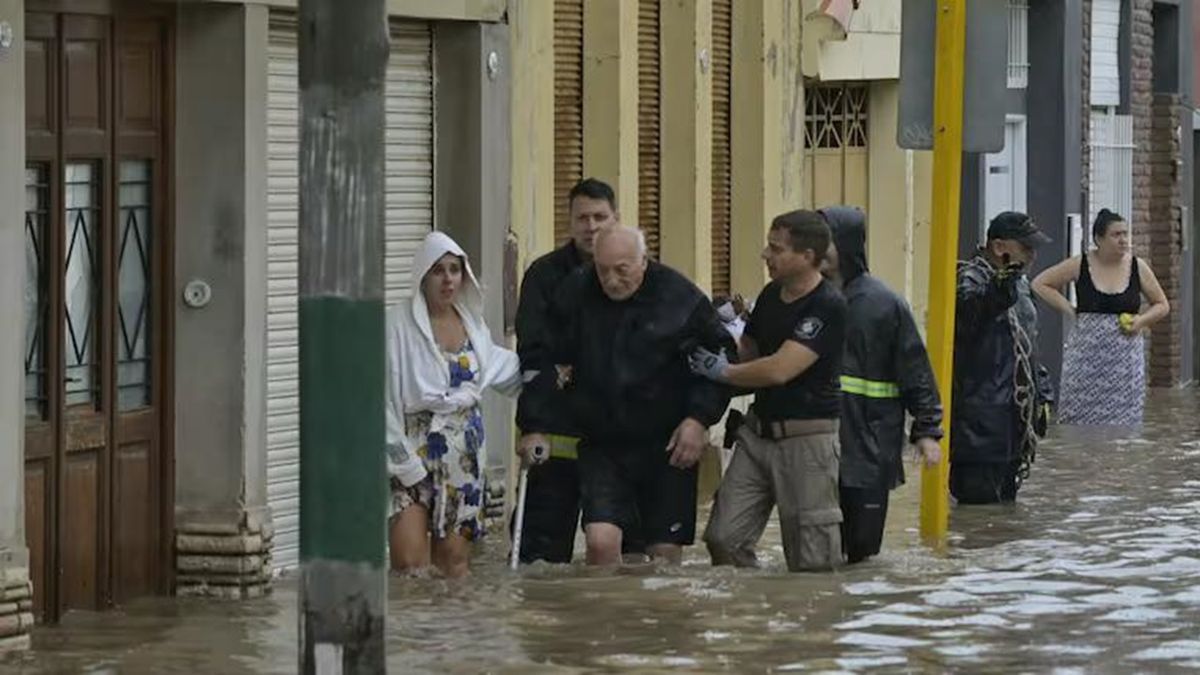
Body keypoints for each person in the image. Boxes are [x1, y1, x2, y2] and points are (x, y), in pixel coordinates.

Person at [520, 225, 735, 565]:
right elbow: (542, 357)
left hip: (668, 444)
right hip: (603, 442)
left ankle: (647, 618)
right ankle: (605, 617)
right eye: (602, 269)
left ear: (644, 262)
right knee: (601, 542)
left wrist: (698, 420)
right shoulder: (576, 290)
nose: (611, 280)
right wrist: (534, 423)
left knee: (661, 557)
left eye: (622, 270)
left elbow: (721, 362)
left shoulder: (680, 297)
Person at [689, 209, 846, 572]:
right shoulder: (772, 294)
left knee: (812, 562)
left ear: (806, 257)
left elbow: (779, 369)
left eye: (776, 249)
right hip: (758, 437)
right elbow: (753, 350)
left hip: (808, 444)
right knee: (723, 538)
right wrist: (721, 331)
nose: (765, 255)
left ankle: (804, 623)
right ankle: (757, 615)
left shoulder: (828, 305)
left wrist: (723, 372)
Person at [386, 231, 522, 577]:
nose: (448, 279)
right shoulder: (396, 326)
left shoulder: (473, 326)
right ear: (422, 275)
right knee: (410, 566)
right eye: (438, 271)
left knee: (454, 566)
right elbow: (377, 398)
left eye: (455, 270)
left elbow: (504, 370)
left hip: (463, 456)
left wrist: (553, 377)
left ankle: (455, 631)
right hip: (410, 454)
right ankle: (413, 632)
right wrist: (403, 464)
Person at [818, 206, 943, 564]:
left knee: (860, 551)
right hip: (815, 445)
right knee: (816, 549)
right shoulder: (805, 298)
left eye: (824, 242)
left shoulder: (883, 304)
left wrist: (927, 430)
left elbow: (915, 368)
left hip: (869, 447)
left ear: (845, 245)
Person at [513, 178, 621, 564]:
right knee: (539, 559)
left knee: (611, 549)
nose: (591, 227)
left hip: (614, 441)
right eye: (582, 218)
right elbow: (534, 356)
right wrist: (533, 426)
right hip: (554, 435)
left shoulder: (637, 270)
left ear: (616, 218)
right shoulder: (544, 276)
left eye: (599, 217)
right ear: (569, 221)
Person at [951, 211, 1055, 505]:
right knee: (978, 512)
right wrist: (999, 290)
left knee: (1005, 516)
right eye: (1026, 248)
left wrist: (1043, 394)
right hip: (979, 426)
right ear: (999, 247)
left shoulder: (1020, 285)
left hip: (1014, 423)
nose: (1033, 256)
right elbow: (970, 315)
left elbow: (1028, 343)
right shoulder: (969, 279)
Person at [1031, 209, 1169, 427]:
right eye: (1116, 235)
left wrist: (1140, 322)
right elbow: (1040, 283)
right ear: (1099, 238)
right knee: (1077, 423)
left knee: (1124, 428)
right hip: (1085, 360)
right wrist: (1070, 309)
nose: (1124, 240)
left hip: (1124, 363)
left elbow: (1162, 305)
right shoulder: (1080, 264)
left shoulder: (1137, 267)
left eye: (1126, 234)